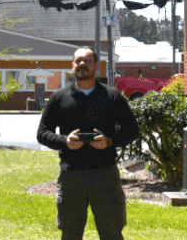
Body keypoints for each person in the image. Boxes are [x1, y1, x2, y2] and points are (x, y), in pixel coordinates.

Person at [37, 47, 140, 240]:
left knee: (112, 233)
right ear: (72, 65)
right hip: (71, 176)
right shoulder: (59, 98)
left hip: (105, 175)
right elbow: (42, 133)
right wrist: (65, 141)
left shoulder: (112, 96)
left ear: (96, 66)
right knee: (70, 234)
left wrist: (109, 141)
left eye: (87, 61)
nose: (82, 64)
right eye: (78, 61)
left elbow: (132, 131)